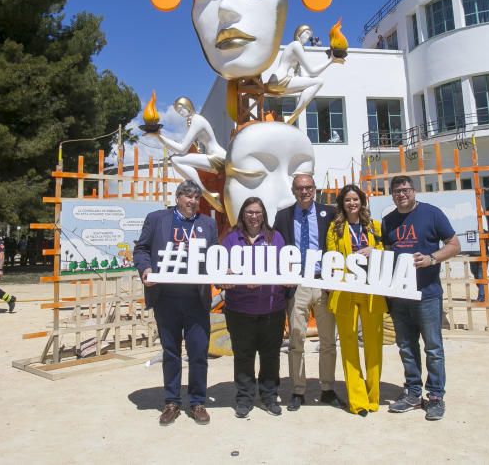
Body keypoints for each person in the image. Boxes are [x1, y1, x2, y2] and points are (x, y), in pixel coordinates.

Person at [133, 180, 219, 426]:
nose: (193, 201)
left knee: (198, 352)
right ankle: (171, 402)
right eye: (188, 197)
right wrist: (146, 269)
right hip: (166, 299)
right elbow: (141, 250)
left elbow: (215, 255)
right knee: (171, 352)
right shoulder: (157, 219)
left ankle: (197, 402)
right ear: (178, 197)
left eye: (196, 198)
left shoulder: (207, 224)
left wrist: (225, 271)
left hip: (196, 300)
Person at [382, 175, 461, 421]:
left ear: (413, 191)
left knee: (433, 348)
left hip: (427, 294)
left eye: (405, 189)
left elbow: (454, 244)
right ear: (392, 194)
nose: (401, 194)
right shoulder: (388, 221)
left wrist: (432, 259)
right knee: (406, 347)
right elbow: (386, 255)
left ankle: (435, 396)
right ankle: (413, 393)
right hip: (399, 296)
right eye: (397, 191)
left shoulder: (432, 214)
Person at [273, 173, 342, 411]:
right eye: (300, 188)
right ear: (293, 191)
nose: (304, 192)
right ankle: (298, 390)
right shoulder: (283, 216)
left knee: (328, 340)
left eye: (309, 187)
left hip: (323, 282)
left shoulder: (330, 213)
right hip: (297, 285)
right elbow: (276, 249)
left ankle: (327, 388)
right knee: (296, 339)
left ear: (315, 189)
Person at [220, 197, 288, 418]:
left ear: (263, 215)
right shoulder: (231, 239)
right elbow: (219, 270)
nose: (254, 216)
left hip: (271, 308)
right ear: (243, 214)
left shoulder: (275, 238)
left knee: (270, 356)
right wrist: (228, 276)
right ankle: (244, 398)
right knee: (243, 355)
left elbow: (284, 267)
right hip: (239, 309)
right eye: (249, 212)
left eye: (258, 212)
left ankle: (269, 397)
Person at [325, 184, 386, 416]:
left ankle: (373, 397)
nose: (352, 203)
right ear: (342, 203)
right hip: (345, 291)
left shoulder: (374, 226)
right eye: (348, 200)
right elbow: (331, 256)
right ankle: (357, 400)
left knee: (374, 346)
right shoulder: (335, 228)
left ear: (362, 202)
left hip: (372, 292)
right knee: (349, 346)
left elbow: (385, 250)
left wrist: (375, 251)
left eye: (356, 199)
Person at [153, 96, 227, 211]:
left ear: (188, 105)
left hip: (218, 157)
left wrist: (160, 137)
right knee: (177, 160)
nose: (180, 112)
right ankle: (208, 194)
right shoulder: (194, 120)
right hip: (214, 157)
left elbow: (182, 148)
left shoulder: (197, 120)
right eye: (178, 111)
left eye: (181, 108)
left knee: (176, 159)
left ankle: (206, 194)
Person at [265, 25, 335, 125]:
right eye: (306, 33)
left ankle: (291, 118)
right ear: (299, 33)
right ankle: (292, 117)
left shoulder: (296, 48)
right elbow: (312, 72)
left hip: (278, 81)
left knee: (316, 82)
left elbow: (305, 76)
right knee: (319, 81)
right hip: (280, 79)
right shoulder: (295, 45)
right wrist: (330, 61)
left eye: (309, 35)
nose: (308, 37)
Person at [469, 236, 489, 303]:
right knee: (475, 275)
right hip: (472, 257)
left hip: (483, 257)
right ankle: (483, 293)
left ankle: (481, 298)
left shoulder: (485, 233)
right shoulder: (470, 231)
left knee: (481, 276)